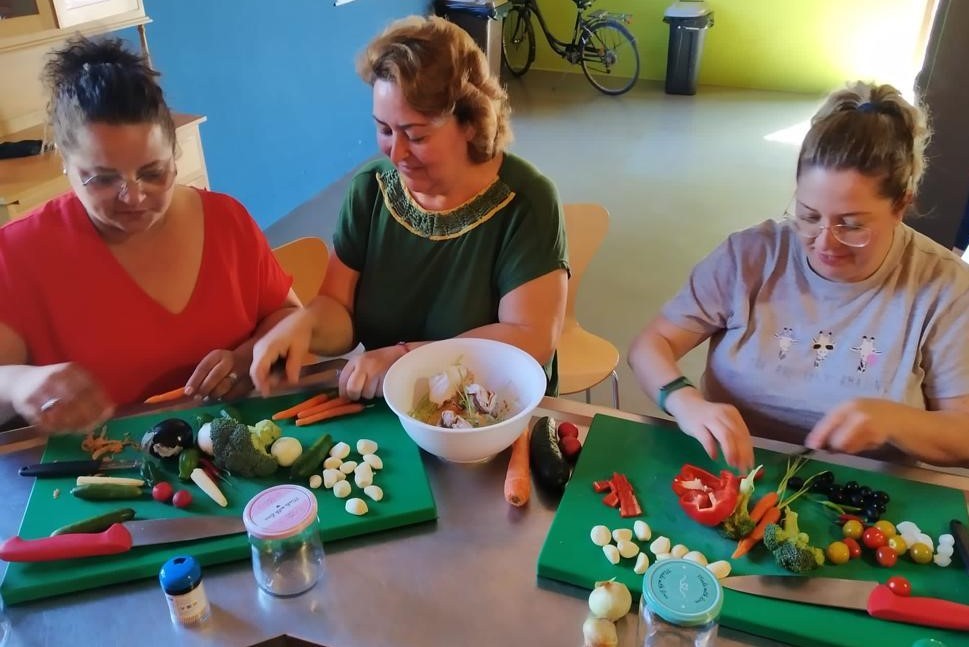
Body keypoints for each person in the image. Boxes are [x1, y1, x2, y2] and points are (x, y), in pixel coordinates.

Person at [629, 81, 969, 471]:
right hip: (736, 475)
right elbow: (650, 345)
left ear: (900, 206)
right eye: (808, 216)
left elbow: (963, 433)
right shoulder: (750, 257)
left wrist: (896, 422)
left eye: (852, 225)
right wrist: (684, 400)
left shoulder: (945, 289)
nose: (825, 242)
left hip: (865, 497)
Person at [251, 16, 568, 400]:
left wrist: (407, 358)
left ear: (471, 122)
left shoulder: (526, 203)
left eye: (415, 135)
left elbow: (529, 338)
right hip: (392, 403)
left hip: (489, 409)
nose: (397, 153)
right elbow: (338, 308)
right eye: (384, 130)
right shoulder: (370, 190)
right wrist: (305, 326)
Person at [0, 37, 299, 433]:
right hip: (102, 470)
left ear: (174, 152)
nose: (133, 196)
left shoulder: (227, 221)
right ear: (65, 165)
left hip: (234, 449)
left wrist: (247, 358)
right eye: (103, 179)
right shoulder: (19, 253)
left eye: (152, 173)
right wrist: (21, 385)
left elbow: (290, 316)